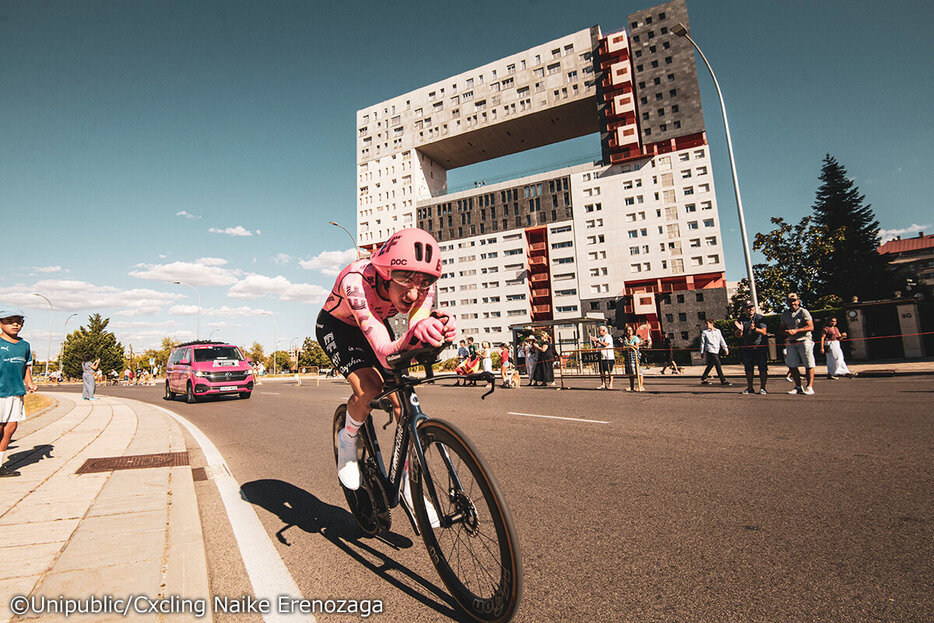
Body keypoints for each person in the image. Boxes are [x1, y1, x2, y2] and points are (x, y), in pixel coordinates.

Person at [316, 227, 456, 513]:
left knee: (401, 401)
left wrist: (437, 328)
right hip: (340, 327)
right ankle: (348, 439)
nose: (414, 292)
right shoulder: (356, 281)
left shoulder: (421, 289)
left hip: (375, 323)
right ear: (384, 271)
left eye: (425, 282)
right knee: (370, 387)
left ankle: (405, 483)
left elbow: (417, 321)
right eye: (405, 280)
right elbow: (383, 348)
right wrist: (412, 336)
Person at [0, 308, 38, 478]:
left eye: (18, 321)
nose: (15, 324)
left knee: (11, 427)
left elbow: (26, 367)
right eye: (9, 320)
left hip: (16, 392)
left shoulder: (25, 345)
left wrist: (29, 383)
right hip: (1, 392)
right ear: (1, 323)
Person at [780, 293, 816, 395]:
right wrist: (786, 332)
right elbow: (781, 329)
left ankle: (809, 387)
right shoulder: (785, 314)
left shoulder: (803, 312)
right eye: (790, 301)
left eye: (794, 301)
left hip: (804, 341)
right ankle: (798, 386)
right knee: (792, 365)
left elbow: (810, 327)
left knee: (808, 364)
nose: (792, 303)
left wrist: (796, 331)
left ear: (798, 301)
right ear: (787, 302)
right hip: (791, 342)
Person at [735, 301, 769, 394]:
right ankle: (750, 388)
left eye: (752, 307)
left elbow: (764, 331)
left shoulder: (759, 318)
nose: (750, 309)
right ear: (744, 309)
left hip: (759, 347)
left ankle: (763, 388)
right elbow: (738, 335)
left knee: (762, 368)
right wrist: (739, 330)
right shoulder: (741, 319)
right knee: (748, 369)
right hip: (747, 347)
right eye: (748, 307)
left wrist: (754, 329)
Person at [699, 319, 731, 386]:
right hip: (710, 350)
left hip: (716, 350)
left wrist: (726, 348)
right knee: (718, 364)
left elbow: (722, 340)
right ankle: (723, 380)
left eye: (707, 324)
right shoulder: (705, 332)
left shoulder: (718, 331)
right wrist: (702, 352)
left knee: (711, 364)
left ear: (712, 324)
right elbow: (702, 343)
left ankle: (703, 377)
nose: (706, 325)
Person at [590, 325, 615, 389]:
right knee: (602, 371)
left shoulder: (608, 337)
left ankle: (610, 384)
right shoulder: (599, 338)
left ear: (604, 331)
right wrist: (594, 341)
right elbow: (596, 346)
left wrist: (597, 341)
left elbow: (606, 344)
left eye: (600, 330)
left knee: (610, 371)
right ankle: (603, 384)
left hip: (608, 357)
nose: (599, 332)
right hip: (601, 357)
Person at [621, 325, 643, 391]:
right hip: (628, 356)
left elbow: (637, 347)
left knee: (638, 371)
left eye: (630, 330)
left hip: (635, 356)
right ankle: (631, 386)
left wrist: (629, 344)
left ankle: (640, 385)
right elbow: (624, 347)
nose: (629, 331)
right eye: (628, 330)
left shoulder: (635, 338)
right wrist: (623, 345)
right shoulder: (625, 339)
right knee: (630, 372)